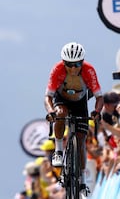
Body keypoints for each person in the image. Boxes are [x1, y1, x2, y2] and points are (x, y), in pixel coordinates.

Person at [44, 42, 103, 195]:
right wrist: (51, 112)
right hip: (61, 99)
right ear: (63, 63)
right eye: (69, 64)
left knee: (81, 139)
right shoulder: (57, 69)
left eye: (77, 64)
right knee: (60, 113)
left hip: (80, 101)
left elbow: (99, 96)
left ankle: (82, 181)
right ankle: (58, 150)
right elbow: (48, 97)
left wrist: (97, 111)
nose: (73, 68)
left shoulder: (89, 71)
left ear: (82, 62)